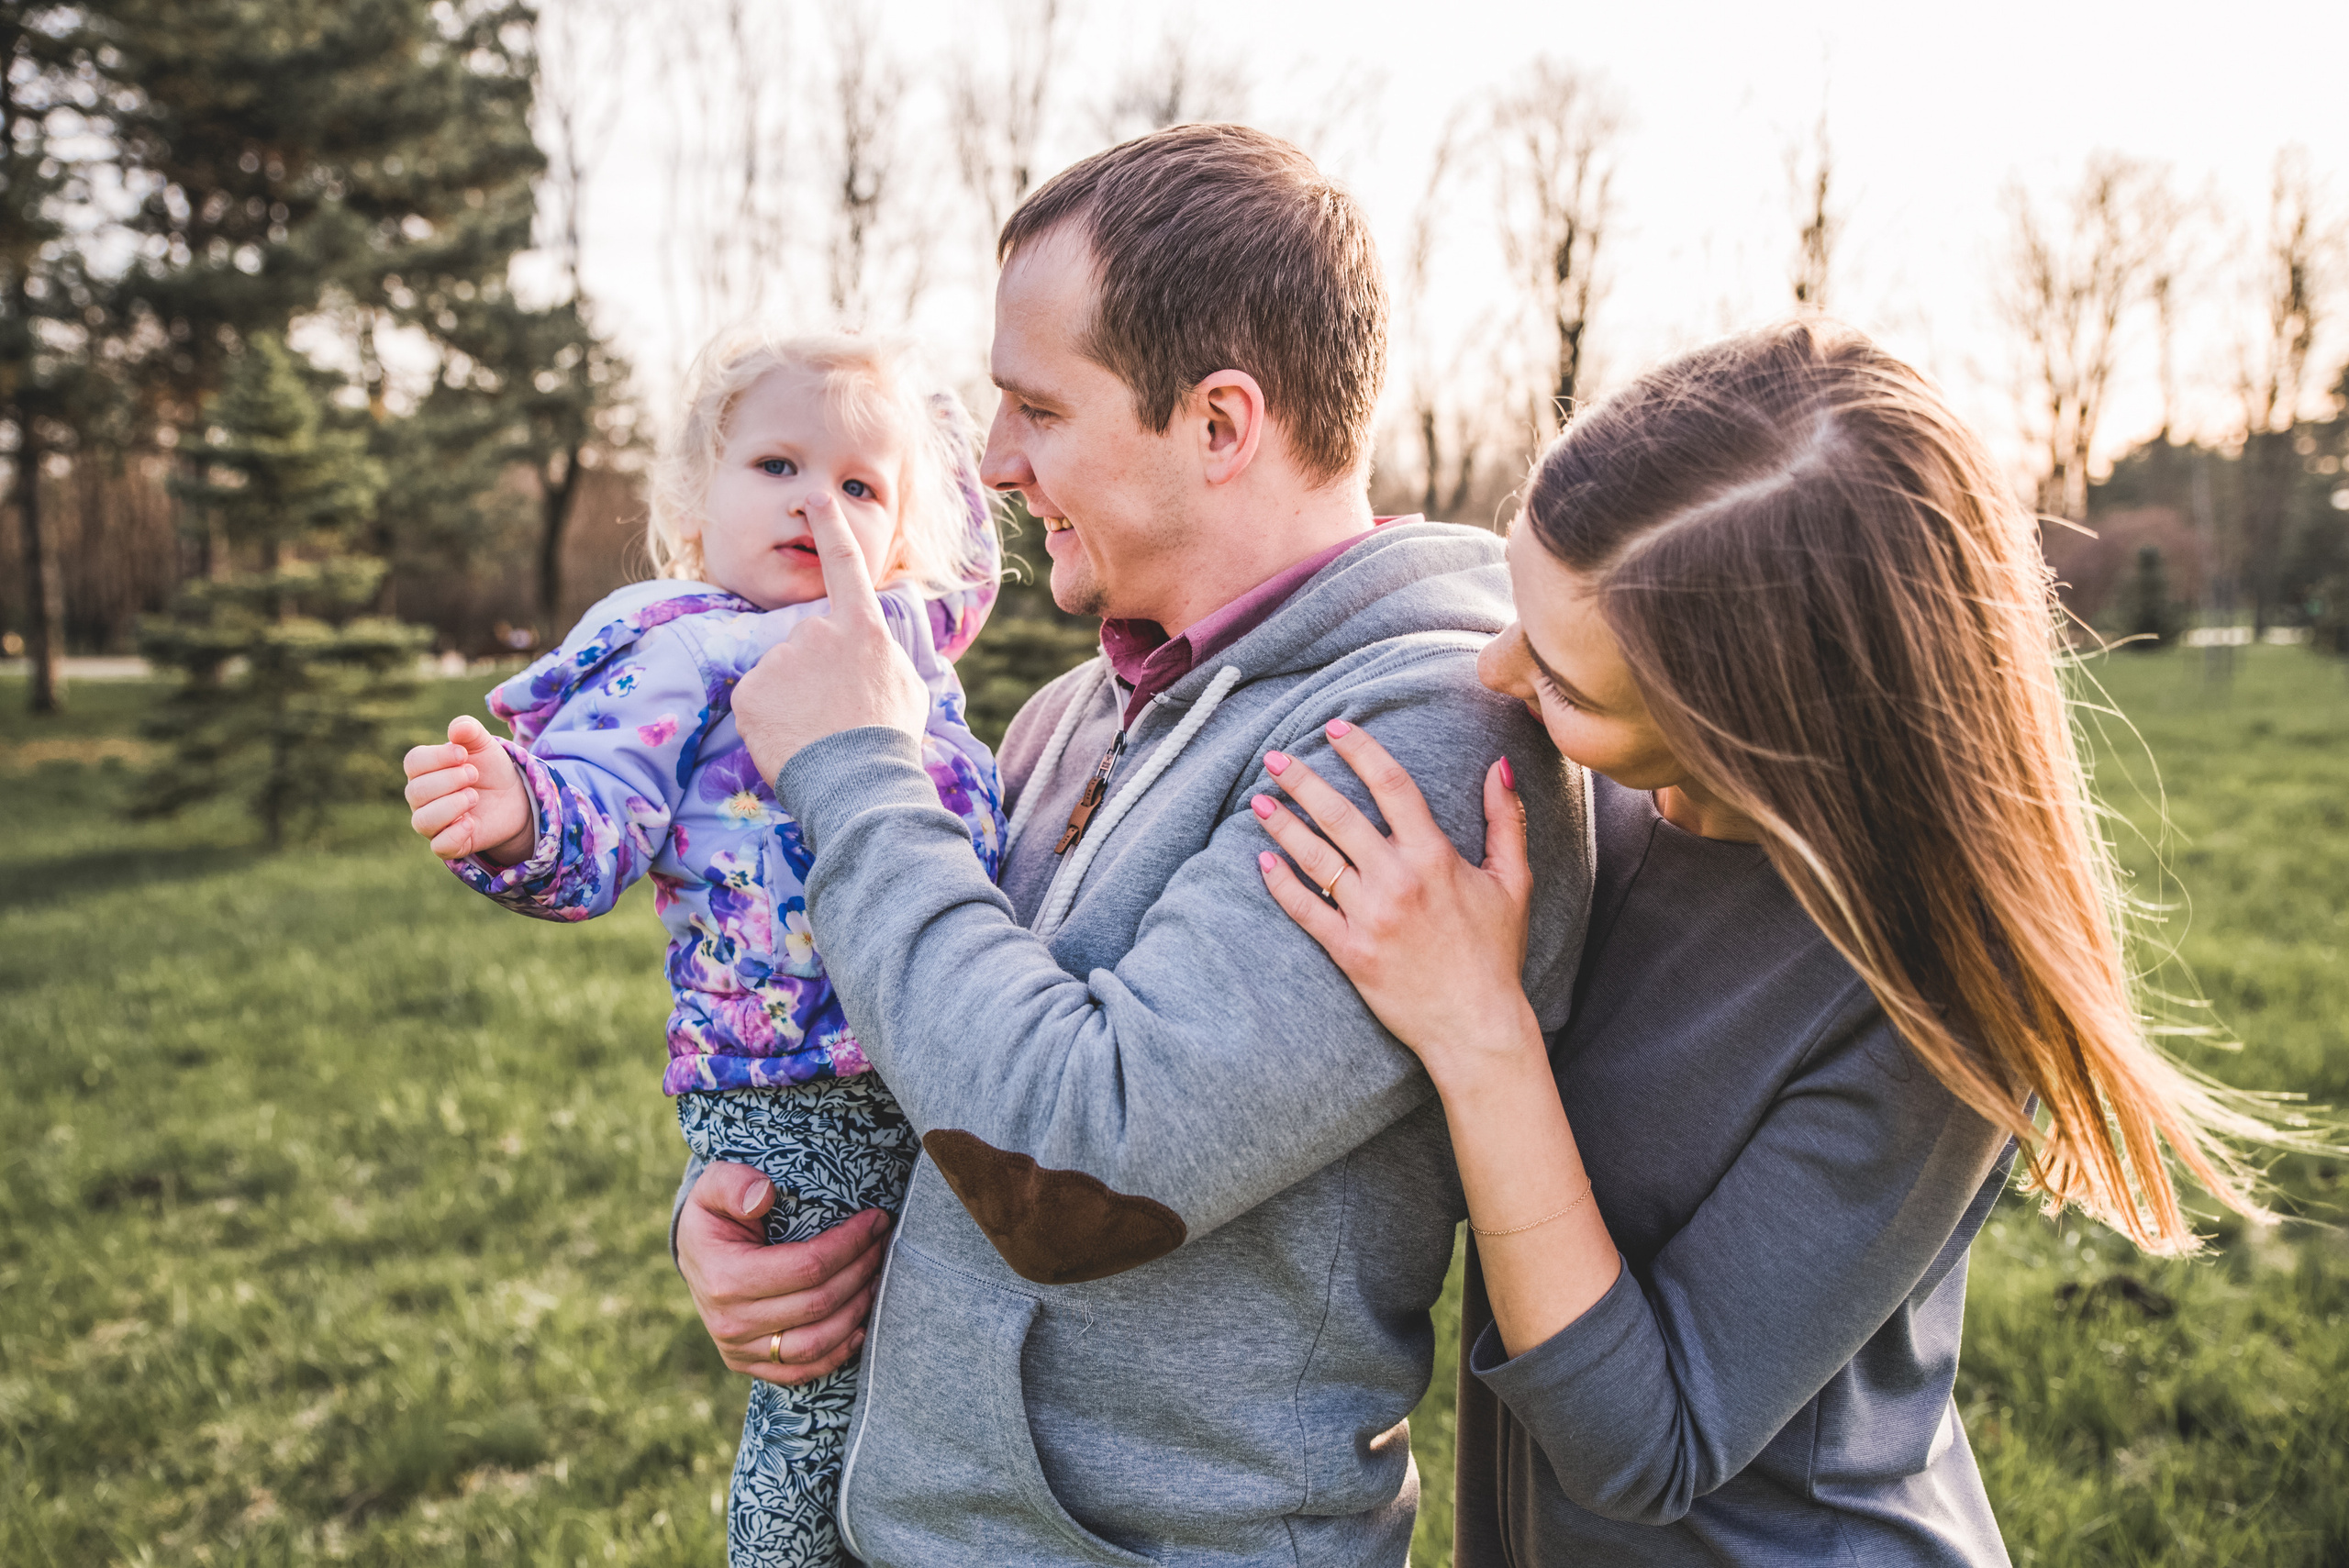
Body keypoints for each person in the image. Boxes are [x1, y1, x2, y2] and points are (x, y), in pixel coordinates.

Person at [680, 122, 1595, 1564]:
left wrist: (856, 773)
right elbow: (918, 1036)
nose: (988, 464)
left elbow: (1077, 1159)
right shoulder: (1065, 715)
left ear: (1221, 425)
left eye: (1035, 410)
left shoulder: (1417, 745)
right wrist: (748, 1208)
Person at [1249, 319, 2279, 1564]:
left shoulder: (1925, 1008)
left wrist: (1481, 1033)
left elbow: (1646, 1446)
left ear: (1747, 728)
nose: (1498, 671)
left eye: (1567, 682)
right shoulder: (1606, 811)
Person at [399, 328, 1006, 1567]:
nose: (812, 503)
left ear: (904, 530)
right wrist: (515, 809)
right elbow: (595, 808)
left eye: (856, 485)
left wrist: (931, 420)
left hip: (933, 1050)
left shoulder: (910, 642)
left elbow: (973, 542)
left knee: (931, 1387)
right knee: (821, 1392)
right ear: (695, 505)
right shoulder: (685, 647)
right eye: (777, 464)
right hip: (795, 1091)